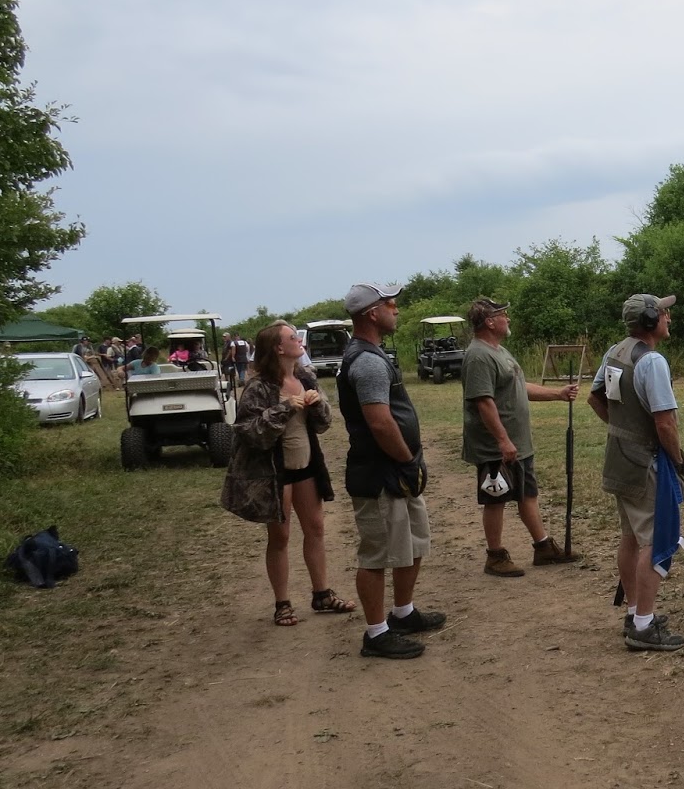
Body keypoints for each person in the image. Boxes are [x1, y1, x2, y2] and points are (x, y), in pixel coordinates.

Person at [221, 321, 357, 626]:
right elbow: (248, 433)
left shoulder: (306, 377)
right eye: (293, 338)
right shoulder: (258, 388)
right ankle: (282, 604)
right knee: (280, 537)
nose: (300, 342)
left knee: (317, 530)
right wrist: (284, 408)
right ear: (278, 348)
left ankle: (322, 594)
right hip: (274, 473)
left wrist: (317, 403)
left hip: (307, 467)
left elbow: (323, 425)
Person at [337, 282, 445, 660]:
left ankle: (403, 612)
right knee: (378, 554)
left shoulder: (373, 354)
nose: (396, 310)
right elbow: (380, 423)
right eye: (390, 304)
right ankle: (376, 633)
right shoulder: (366, 361)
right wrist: (406, 460)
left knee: (413, 544)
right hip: (381, 473)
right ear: (372, 313)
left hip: (395, 471)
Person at [588, 294, 684, 651]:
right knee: (654, 540)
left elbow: (595, 397)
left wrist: (621, 432)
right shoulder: (652, 362)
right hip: (646, 461)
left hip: (619, 458)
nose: (669, 318)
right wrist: (677, 460)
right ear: (650, 319)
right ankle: (643, 626)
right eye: (664, 313)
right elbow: (665, 423)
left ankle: (634, 613)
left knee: (630, 536)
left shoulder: (615, 351)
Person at [461, 297, 580, 577]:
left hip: (518, 443)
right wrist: (502, 440)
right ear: (490, 321)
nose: (508, 319)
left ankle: (543, 547)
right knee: (496, 498)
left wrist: (557, 394)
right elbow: (484, 402)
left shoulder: (499, 351)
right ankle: (495, 556)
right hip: (496, 446)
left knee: (528, 494)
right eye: (503, 314)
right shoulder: (478, 355)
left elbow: (518, 386)